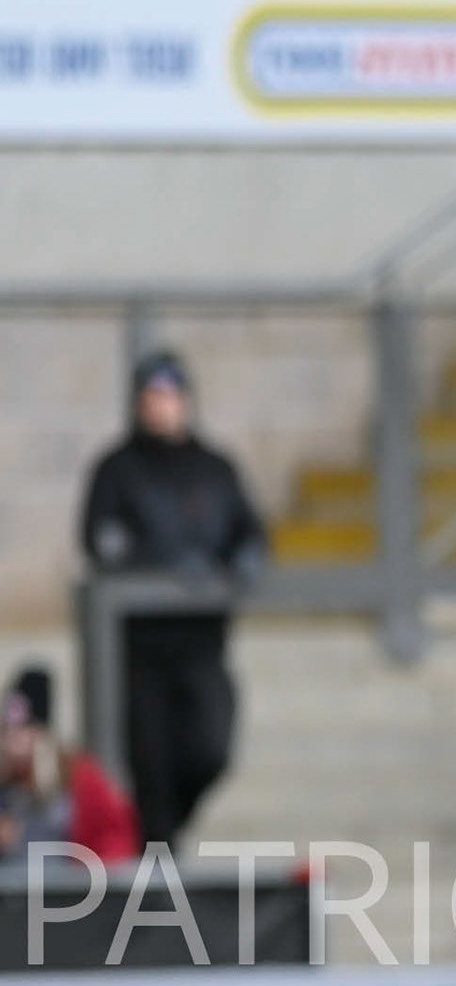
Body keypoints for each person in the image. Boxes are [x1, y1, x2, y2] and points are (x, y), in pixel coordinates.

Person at [79, 349, 266, 849]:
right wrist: (159, 569)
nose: (161, 406)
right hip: (143, 651)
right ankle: (157, 888)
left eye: (169, 395)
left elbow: (248, 529)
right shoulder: (118, 469)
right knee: (152, 775)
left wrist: (239, 561)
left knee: (210, 749)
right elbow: (101, 541)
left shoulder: (214, 468)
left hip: (202, 645)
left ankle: (165, 841)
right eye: (151, 396)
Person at [0, 666, 140, 867]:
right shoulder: (7, 782)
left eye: (22, 731)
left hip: (68, 892)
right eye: (7, 732)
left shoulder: (78, 777)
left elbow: (115, 839)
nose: (11, 742)